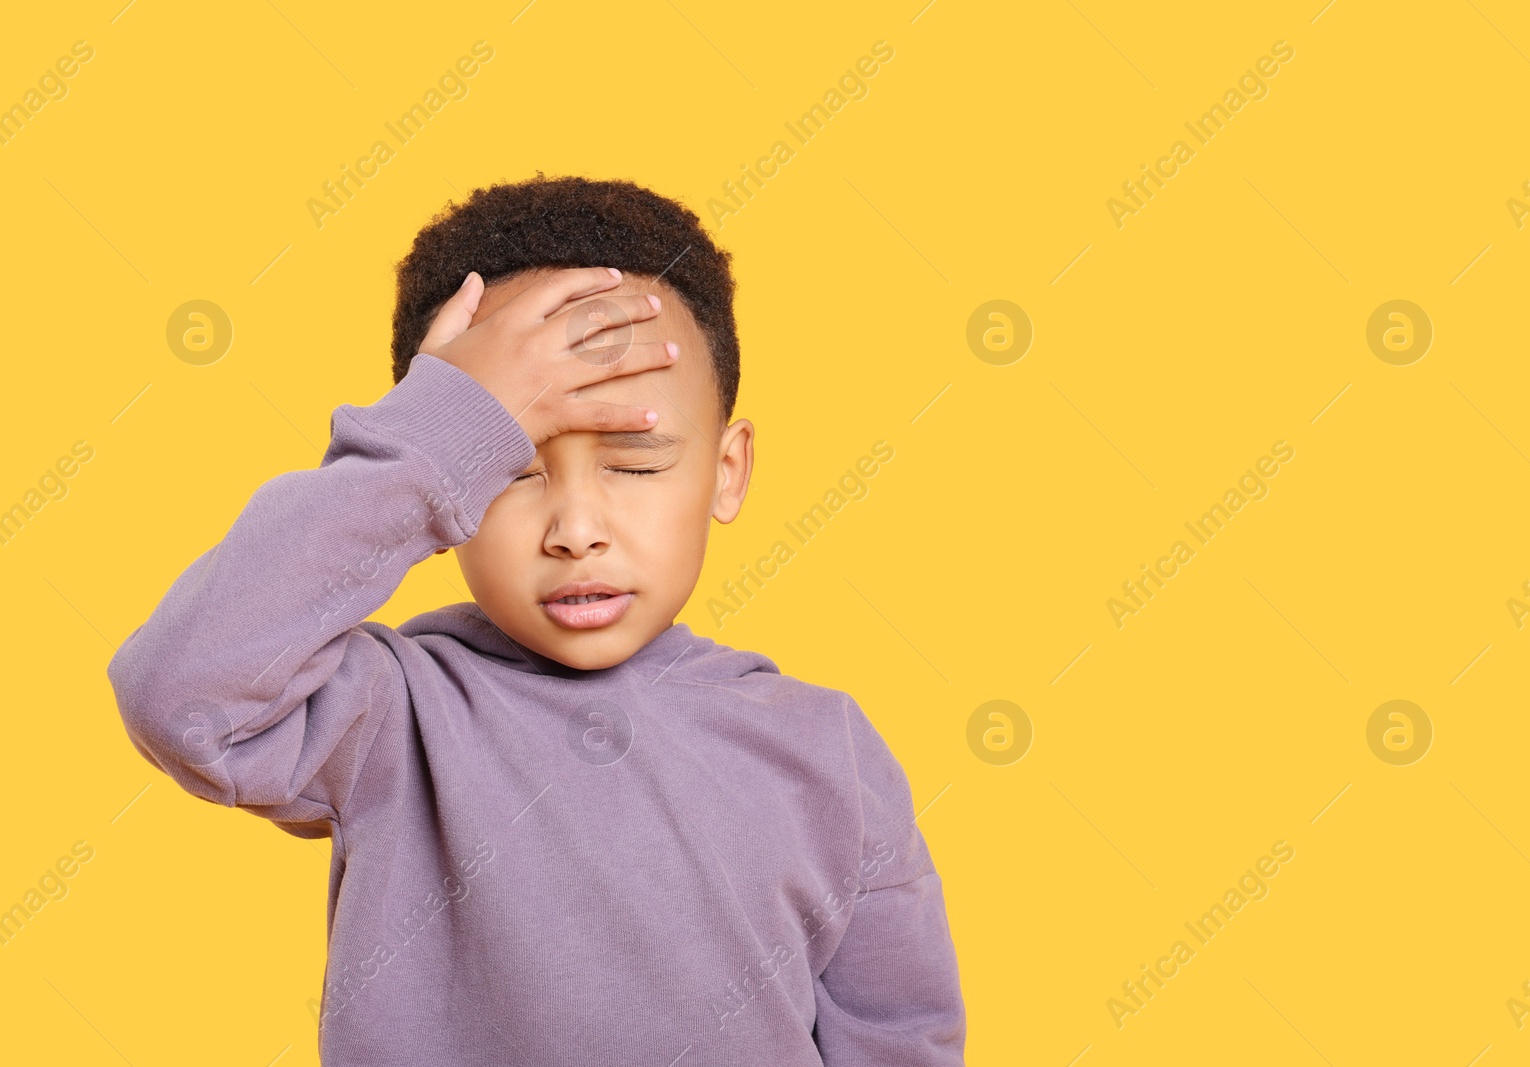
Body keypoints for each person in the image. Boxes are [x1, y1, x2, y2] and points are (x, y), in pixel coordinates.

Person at [106, 174, 966, 1065]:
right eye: (509, 466)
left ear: (727, 468)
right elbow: (181, 694)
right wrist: (436, 435)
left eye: (634, 464)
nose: (576, 530)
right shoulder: (390, 719)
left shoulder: (826, 751)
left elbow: (902, 1040)